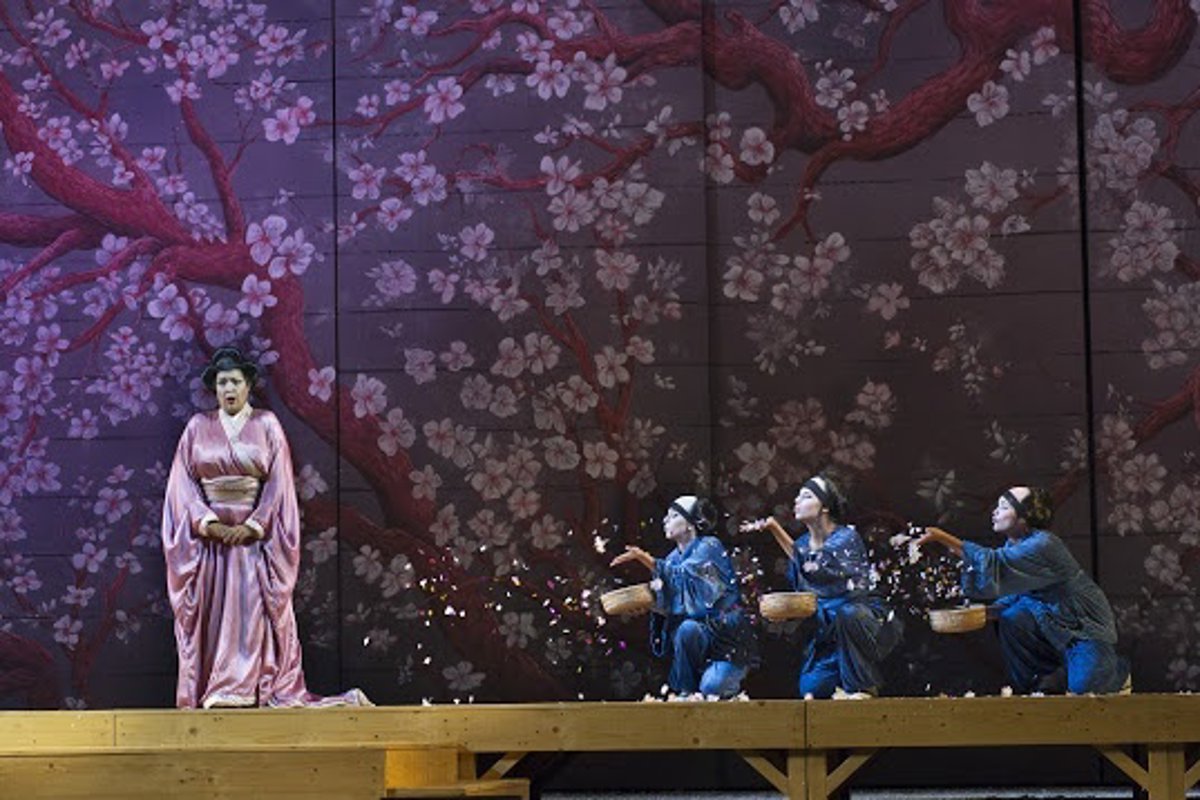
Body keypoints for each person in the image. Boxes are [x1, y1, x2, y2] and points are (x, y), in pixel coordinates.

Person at [161, 347, 370, 709]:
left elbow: (279, 484)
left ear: (248, 386)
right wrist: (209, 523)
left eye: (235, 381)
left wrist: (254, 525)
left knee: (249, 609)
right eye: (222, 382)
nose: (228, 389)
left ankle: (242, 687)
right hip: (211, 538)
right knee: (213, 612)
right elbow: (182, 485)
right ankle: (216, 686)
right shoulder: (197, 427)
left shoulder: (266, 424)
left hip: (252, 537)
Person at [917, 486, 1131, 695]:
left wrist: (941, 537)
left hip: (1081, 628)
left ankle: (1116, 672)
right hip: (1048, 622)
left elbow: (994, 563)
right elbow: (1016, 597)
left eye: (1003, 507)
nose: (995, 512)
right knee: (1012, 617)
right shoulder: (1013, 545)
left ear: (1024, 517)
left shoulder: (1044, 544)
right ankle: (1039, 680)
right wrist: (979, 614)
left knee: (1085, 688)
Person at [742, 474, 901, 698]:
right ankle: (839, 674)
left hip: (860, 622)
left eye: (806, 496)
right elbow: (805, 588)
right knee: (811, 687)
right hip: (827, 628)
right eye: (798, 497)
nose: (797, 501)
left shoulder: (846, 537)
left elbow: (816, 565)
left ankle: (862, 685)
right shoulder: (801, 544)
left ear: (825, 506)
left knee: (848, 614)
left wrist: (775, 528)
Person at [610, 495, 756, 698]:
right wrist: (650, 606)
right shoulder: (671, 559)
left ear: (690, 524)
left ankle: (720, 681)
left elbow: (684, 578)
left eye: (674, 516)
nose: (666, 521)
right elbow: (672, 602)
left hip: (725, 638)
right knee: (686, 629)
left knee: (712, 688)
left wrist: (644, 558)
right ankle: (687, 691)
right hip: (698, 634)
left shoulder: (709, 546)